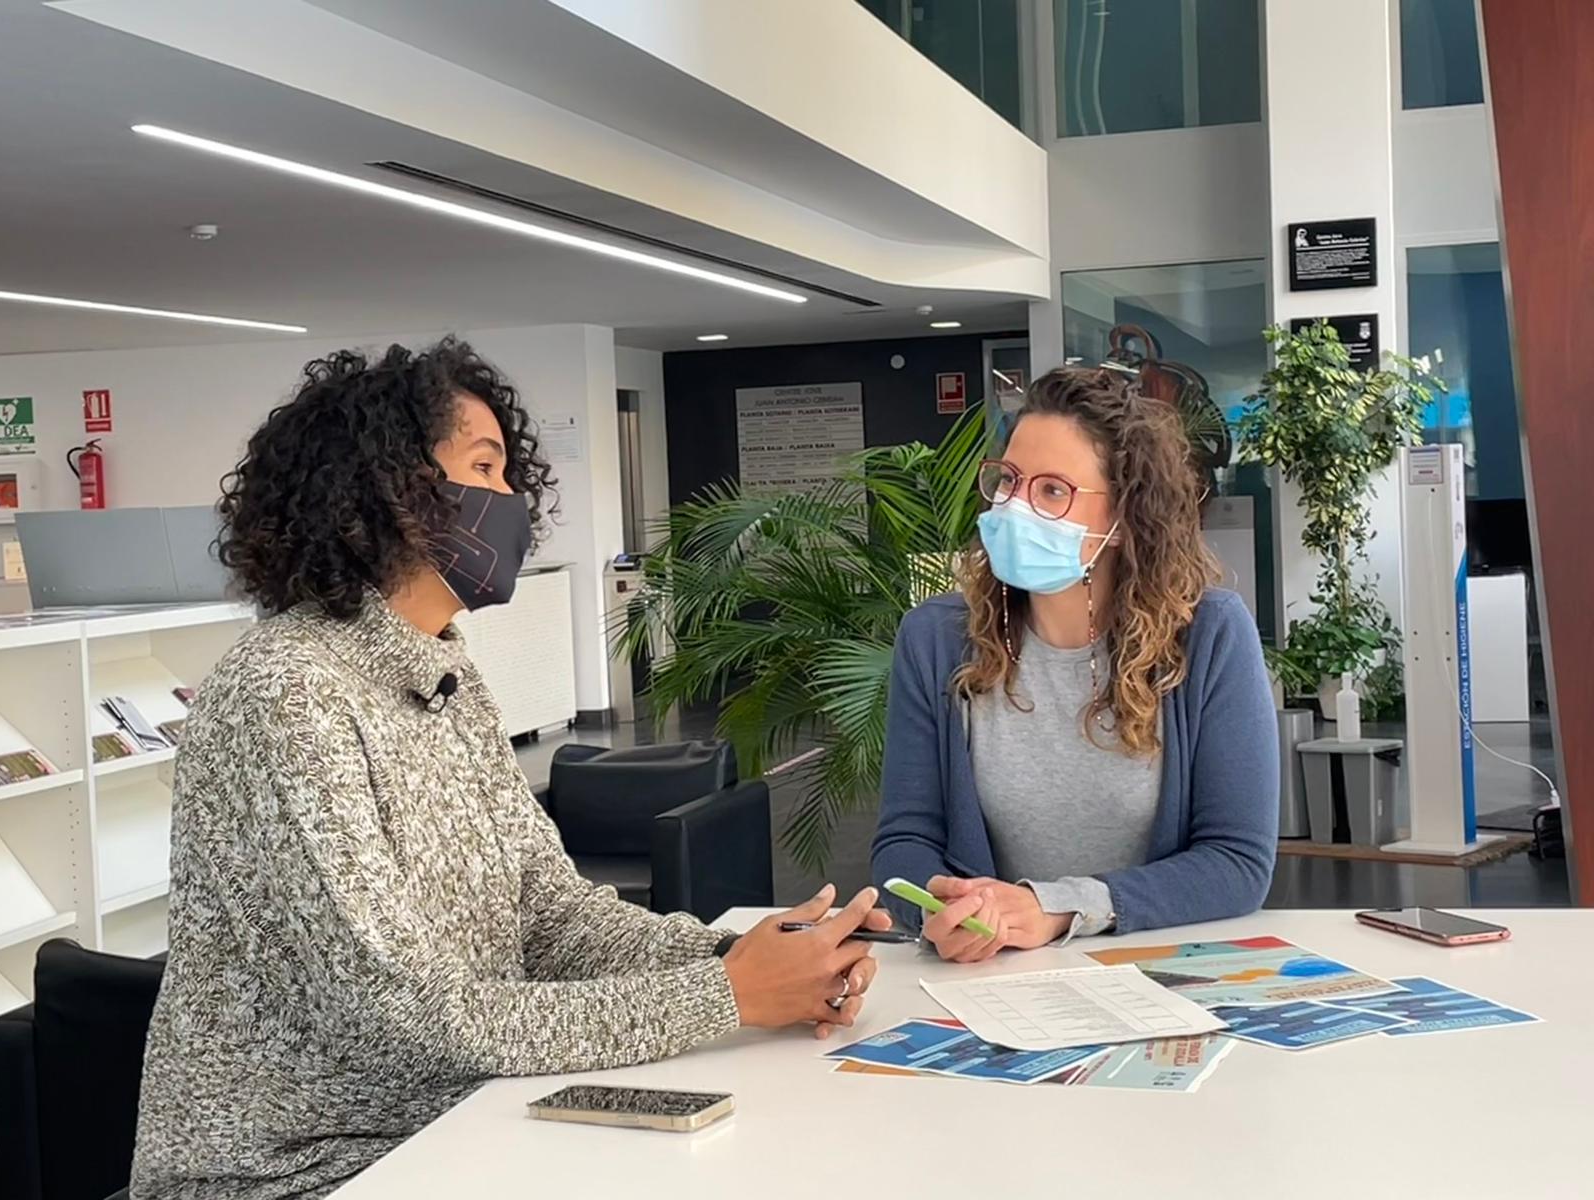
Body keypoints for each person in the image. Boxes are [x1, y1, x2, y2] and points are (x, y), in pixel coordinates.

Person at [132, 338, 889, 1200]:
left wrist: (744, 954)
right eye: (484, 468)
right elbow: (403, 1018)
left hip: (457, 1125)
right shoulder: (285, 693)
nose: (510, 501)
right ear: (390, 489)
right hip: (303, 1170)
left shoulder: (445, 675)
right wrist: (725, 994)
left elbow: (550, 919)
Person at [872, 366, 1277, 962]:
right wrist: (941, 906)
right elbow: (904, 842)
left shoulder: (1210, 635)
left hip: (1158, 967)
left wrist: (1058, 908)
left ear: (1125, 517)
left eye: (1053, 491)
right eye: (1008, 481)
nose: (1016, 507)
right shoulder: (935, 639)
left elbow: (1237, 861)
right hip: (990, 976)